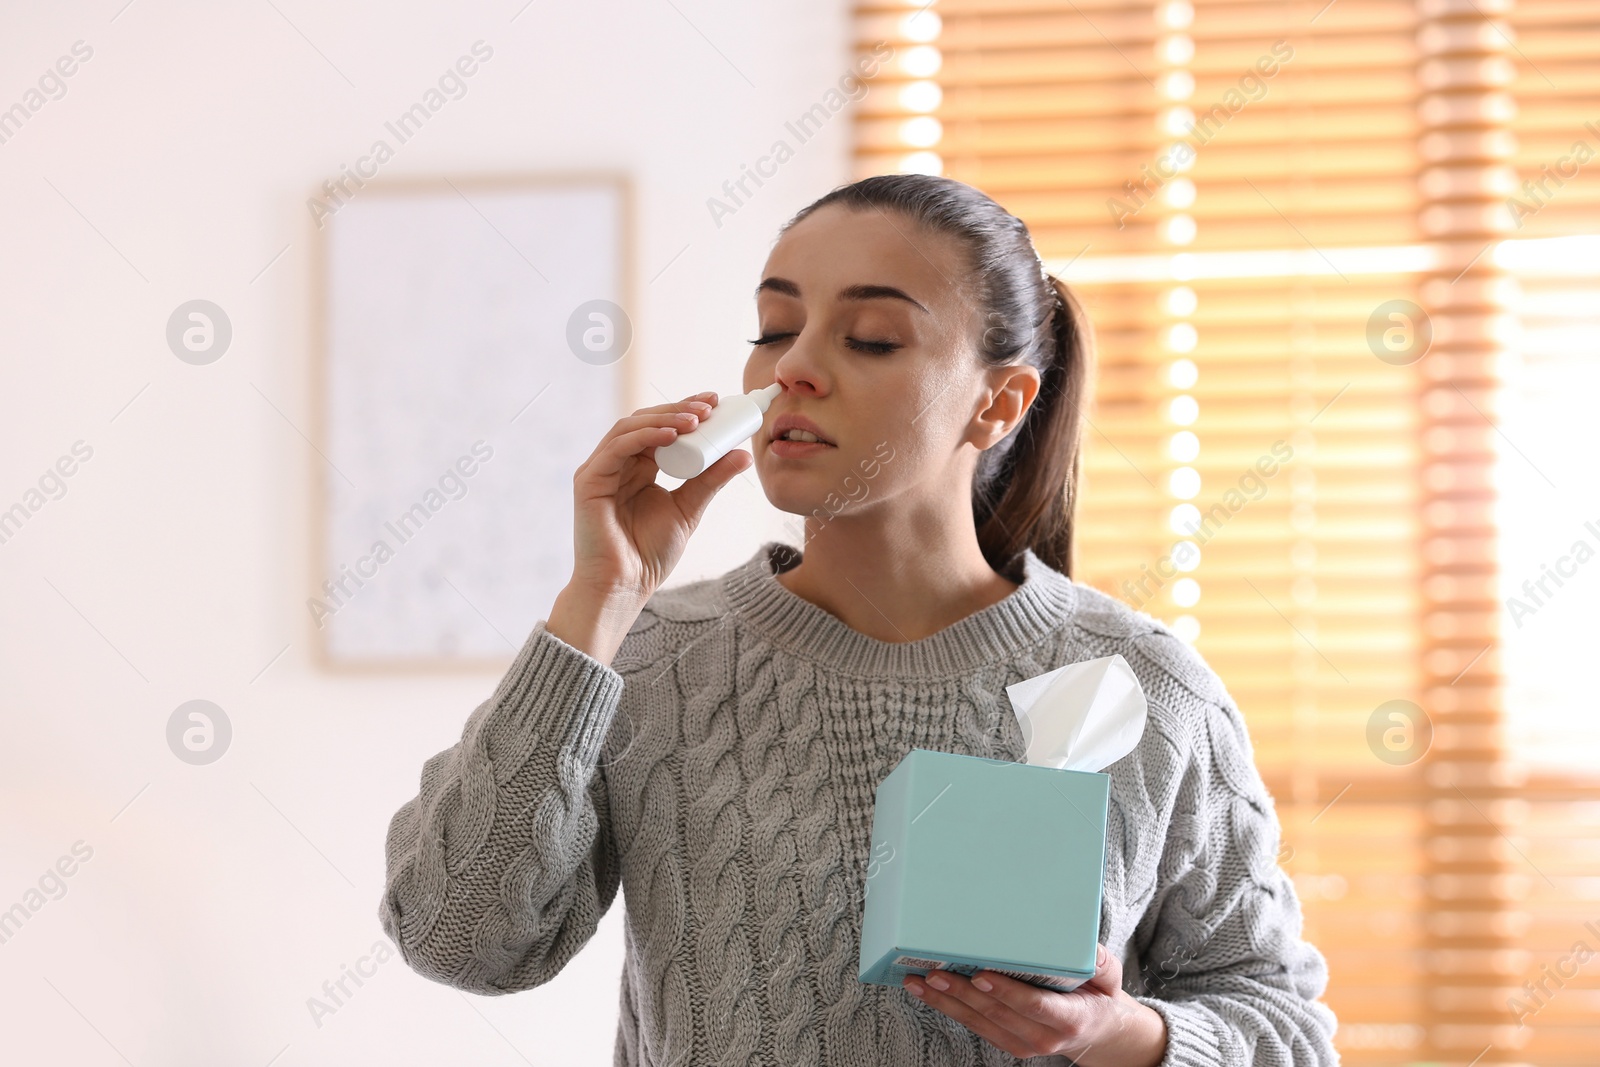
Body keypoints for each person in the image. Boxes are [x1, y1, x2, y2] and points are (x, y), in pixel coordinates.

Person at [377, 173, 1340, 1066]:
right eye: (774, 328)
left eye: (871, 337)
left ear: (998, 402)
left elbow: (1286, 1025)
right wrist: (596, 605)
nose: (793, 368)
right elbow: (456, 940)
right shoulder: (651, 657)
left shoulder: (1142, 683)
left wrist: (1120, 1031)